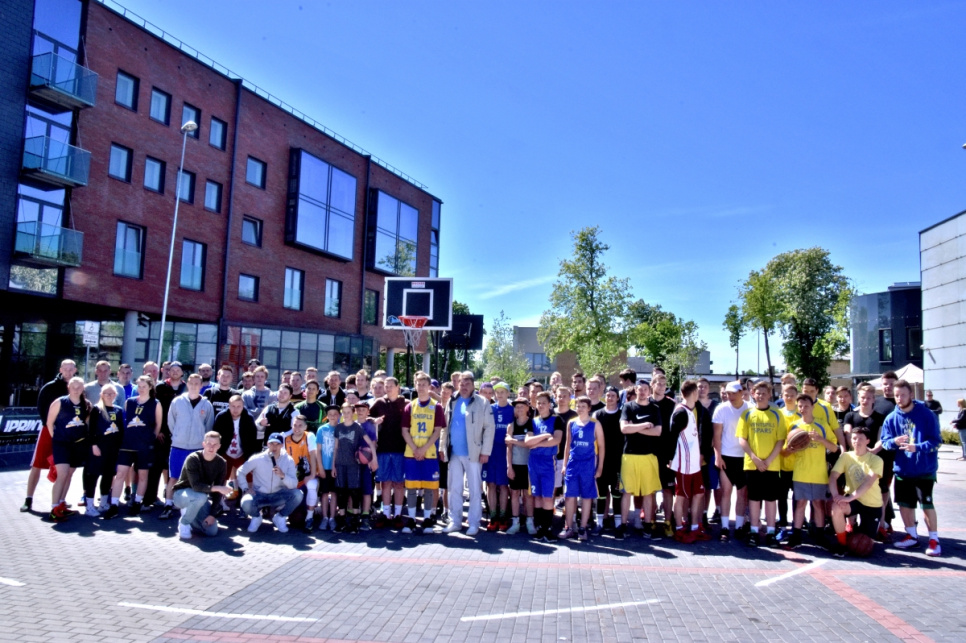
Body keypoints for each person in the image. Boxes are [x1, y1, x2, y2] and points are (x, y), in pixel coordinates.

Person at [880, 379, 942, 557]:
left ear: (911, 395)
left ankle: (934, 540)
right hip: (903, 469)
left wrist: (918, 447)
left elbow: (937, 442)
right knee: (905, 505)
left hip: (924, 470)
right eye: (896, 395)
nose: (899, 398)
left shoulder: (927, 414)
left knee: (926, 504)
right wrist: (894, 441)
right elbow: (884, 442)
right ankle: (912, 536)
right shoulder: (891, 418)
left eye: (903, 395)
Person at [440, 371, 496, 536]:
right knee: (454, 488)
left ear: (473, 385)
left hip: (474, 453)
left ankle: (474, 523)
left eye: (467, 384)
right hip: (454, 453)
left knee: (474, 490)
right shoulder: (452, 401)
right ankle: (455, 521)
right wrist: (442, 447)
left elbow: (489, 428)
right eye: (461, 384)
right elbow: (445, 427)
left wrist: (485, 451)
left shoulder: (482, 402)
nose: (464, 387)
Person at [780, 394, 837, 549]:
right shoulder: (794, 426)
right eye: (800, 406)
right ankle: (796, 536)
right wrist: (790, 449)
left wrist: (820, 439)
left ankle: (820, 536)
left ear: (812, 407)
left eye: (806, 406)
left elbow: (834, 448)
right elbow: (784, 452)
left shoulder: (822, 425)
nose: (803, 409)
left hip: (819, 472)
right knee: (800, 504)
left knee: (818, 504)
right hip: (800, 472)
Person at [735, 381, 786, 547]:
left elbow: (780, 440)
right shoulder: (747, 414)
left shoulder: (777, 414)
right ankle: (754, 531)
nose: (761, 396)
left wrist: (769, 460)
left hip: (772, 465)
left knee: (771, 499)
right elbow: (742, 439)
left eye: (764, 393)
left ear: (769, 395)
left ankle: (771, 532)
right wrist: (755, 458)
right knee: (754, 499)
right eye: (758, 393)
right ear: (753, 394)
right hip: (752, 464)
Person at [22, 359, 76, 513]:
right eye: (65, 369)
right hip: (48, 430)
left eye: (71, 369)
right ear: (60, 369)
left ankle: (60, 501)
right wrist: (51, 427)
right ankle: (28, 499)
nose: (68, 372)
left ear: (75, 370)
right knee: (37, 464)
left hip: (68, 433)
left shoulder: (77, 387)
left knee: (67, 469)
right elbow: (41, 408)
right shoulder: (49, 387)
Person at [105, 375, 162, 518]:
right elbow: (125, 421)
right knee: (120, 473)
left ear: (150, 387)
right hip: (128, 443)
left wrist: (150, 439)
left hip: (145, 445)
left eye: (144, 386)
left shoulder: (155, 403)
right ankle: (114, 505)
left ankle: (137, 502)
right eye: (139, 386)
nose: (141, 389)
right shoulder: (129, 402)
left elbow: (158, 425)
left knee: (143, 475)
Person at [162, 373, 215, 519]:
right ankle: (168, 505)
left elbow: (208, 426)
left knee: (195, 479)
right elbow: (171, 422)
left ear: (201, 385)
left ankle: (193, 508)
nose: (194, 386)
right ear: (187, 384)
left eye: (197, 383)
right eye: (191, 383)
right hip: (178, 446)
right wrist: (178, 436)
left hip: (197, 448)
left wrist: (200, 440)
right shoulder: (177, 401)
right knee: (174, 477)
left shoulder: (206, 404)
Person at [617, 379, 663, 540]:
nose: (642, 392)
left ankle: (648, 526)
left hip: (648, 456)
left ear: (649, 391)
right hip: (629, 455)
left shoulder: (655, 409)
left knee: (648, 493)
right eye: (639, 389)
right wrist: (645, 425)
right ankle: (623, 526)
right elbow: (624, 428)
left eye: (645, 389)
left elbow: (657, 432)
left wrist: (635, 427)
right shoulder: (628, 407)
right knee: (627, 492)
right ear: (635, 390)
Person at [828, 425, 883, 556]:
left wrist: (848, 498)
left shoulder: (876, 460)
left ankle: (859, 531)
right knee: (836, 507)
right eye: (854, 438)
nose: (856, 441)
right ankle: (841, 544)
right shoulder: (846, 457)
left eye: (860, 439)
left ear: (868, 441)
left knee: (864, 545)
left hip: (872, 504)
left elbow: (868, 483)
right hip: (854, 501)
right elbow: (833, 477)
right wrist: (836, 496)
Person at [402, 372, 445, 534]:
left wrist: (423, 449)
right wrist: (415, 449)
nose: (420, 387)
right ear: (415, 386)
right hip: (411, 453)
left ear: (429, 387)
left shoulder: (437, 406)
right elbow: (405, 431)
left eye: (424, 385)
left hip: (429, 453)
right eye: (418, 384)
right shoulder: (410, 406)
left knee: (428, 488)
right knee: (411, 488)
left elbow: (437, 431)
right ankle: (411, 519)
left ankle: (427, 519)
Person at [172, 431, 233, 540]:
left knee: (211, 531)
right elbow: (196, 486)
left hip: (201, 497)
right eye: (209, 443)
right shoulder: (193, 458)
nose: (211, 447)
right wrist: (218, 488)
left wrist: (212, 515)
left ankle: (191, 516)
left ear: (219, 446)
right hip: (182, 494)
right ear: (203, 444)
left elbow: (218, 493)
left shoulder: (221, 463)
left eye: (215, 444)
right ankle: (184, 522)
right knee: (201, 497)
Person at [237, 433, 302, 534]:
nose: (274, 447)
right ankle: (256, 517)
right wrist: (245, 488)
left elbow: (294, 484)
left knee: (298, 494)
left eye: (277, 444)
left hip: (278, 494)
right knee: (245, 502)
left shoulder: (288, 460)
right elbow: (240, 471)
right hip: (259, 494)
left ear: (282, 445)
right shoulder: (257, 458)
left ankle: (280, 517)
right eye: (271, 444)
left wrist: (283, 476)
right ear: (267, 444)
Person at [559, 396, 604, 541]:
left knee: (586, 496)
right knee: (569, 496)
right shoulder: (571, 422)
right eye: (578, 406)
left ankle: (583, 528)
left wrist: (599, 467)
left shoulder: (595, 424)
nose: (580, 409)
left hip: (588, 465)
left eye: (583, 406)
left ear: (589, 408)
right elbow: (567, 445)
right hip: (573, 464)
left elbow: (601, 447)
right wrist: (564, 464)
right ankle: (569, 527)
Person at [844, 384, 888, 534]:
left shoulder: (880, 417)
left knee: (878, 492)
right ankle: (850, 523)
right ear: (858, 398)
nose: (865, 400)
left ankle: (881, 525)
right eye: (863, 397)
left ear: (873, 399)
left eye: (869, 398)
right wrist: (858, 450)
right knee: (852, 489)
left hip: (873, 459)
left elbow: (882, 438)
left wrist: (873, 450)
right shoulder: (851, 416)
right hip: (854, 460)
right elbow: (848, 434)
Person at [46, 376, 91, 521]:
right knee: (62, 474)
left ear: (83, 388)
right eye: (73, 387)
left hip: (78, 444)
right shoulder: (60, 402)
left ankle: (61, 504)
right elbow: (49, 423)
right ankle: (54, 508)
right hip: (62, 443)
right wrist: (56, 438)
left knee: (69, 474)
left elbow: (86, 423)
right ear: (68, 387)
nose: (76, 389)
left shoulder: (86, 404)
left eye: (79, 387)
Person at [524, 391, 564, 542]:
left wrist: (537, 443)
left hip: (548, 462)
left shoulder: (556, 419)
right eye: (538, 403)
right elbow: (528, 442)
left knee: (547, 497)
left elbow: (556, 440)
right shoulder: (532, 421)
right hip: (534, 462)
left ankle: (548, 530)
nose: (540, 405)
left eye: (543, 403)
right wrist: (545, 436)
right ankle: (540, 529)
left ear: (549, 404)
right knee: (537, 497)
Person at [370, 377, 409, 528]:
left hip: (400, 449)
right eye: (386, 386)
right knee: (385, 483)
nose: (388, 388)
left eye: (391, 386)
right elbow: (366, 417)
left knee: (399, 483)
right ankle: (386, 514)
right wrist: (374, 421)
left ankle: (398, 515)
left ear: (398, 387)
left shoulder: (406, 403)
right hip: (383, 449)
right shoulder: (379, 402)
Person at [713, 381, 749, 541]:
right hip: (726, 456)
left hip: (744, 457)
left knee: (742, 494)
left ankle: (739, 526)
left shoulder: (750, 408)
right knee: (726, 492)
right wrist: (718, 456)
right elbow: (717, 436)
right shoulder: (721, 409)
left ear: (742, 392)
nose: (731, 396)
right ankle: (725, 527)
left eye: (734, 393)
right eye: (728, 393)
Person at [332, 402, 375, 532]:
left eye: (348, 412)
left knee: (354, 491)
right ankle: (342, 519)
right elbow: (335, 448)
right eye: (344, 412)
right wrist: (333, 466)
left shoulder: (357, 427)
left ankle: (355, 520)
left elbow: (370, 443)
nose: (346, 415)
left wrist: (373, 458)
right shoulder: (338, 427)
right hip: (340, 463)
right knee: (341, 492)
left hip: (353, 464)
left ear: (353, 413)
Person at [149, 362, 187, 509]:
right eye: (172, 370)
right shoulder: (160, 387)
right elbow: (154, 409)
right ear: (168, 372)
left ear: (182, 373)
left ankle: (174, 497)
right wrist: (157, 430)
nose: (175, 372)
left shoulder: (187, 388)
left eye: (178, 370)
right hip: (162, 434)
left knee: (176, 468)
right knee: (156, 466)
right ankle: (151, 497)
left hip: (180, 435)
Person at [83, 385, 125, 516]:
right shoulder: (97, 409)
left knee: (108, 476)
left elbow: (121, 430)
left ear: (115, 395)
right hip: (99, 448)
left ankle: (103, 503)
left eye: (112, 393)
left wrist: (120, 447)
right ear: (101, 394)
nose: (109, 396)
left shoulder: (118, 410)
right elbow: (91, 429)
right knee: (93, 476)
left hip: (112, 449)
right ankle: (89, 506)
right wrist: (94, 445)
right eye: (106, 393)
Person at [650, 369, 677, 537]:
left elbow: (675, 432)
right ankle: (651, 520)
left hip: (667, 453)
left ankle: (667, 521)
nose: (661, 387)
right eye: (658, 384)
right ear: (652, 385)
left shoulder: (672, 404)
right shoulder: (646, 403)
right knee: (651, 489)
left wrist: (673, 455)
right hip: (649, 452)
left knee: (668, 489)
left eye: (664, 384)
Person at [484, 381, 513, 532]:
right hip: (491, 451)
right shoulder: (490, 408)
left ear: (508, 393)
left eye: (503, 392)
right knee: (490, 484)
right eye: (497, 392)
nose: (500, 395)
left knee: (503, 485)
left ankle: (502, 516)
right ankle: (493, 516)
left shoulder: (513, 410)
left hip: (505, 452)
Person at [593, 385, 623, 533]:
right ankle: (599, 523)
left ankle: (618, 525)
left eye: (613, 395)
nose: (610, 398)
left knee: (617, 493)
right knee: (601, 493)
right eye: (608, 395)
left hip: (618, 461)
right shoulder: (598, 414)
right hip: (601, 460)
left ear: (617, 398)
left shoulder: (622, 415)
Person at [213, 395, 259, 487]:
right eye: (233, 406)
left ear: (243, 406)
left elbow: (253, 441)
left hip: (243, 453)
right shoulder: (221, 417)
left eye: (239, 406)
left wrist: (251, 457)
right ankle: (220, 495)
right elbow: (215, 436)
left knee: (249, 479)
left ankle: (247, 495)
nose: (235, 409)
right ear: (229, 406)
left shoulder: (248, 418)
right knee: (221, 479)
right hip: (225, 453)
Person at [505, 397, 535, 535]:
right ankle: (515, 522)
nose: (519, 409)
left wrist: (513, 440)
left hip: (529, 465)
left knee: (528, 495)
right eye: (517, 406)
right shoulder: (511, 426)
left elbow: (529, 443)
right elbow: (509, 448)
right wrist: (509, 466)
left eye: (522, 406)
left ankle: (530, 522)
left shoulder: (532, 423)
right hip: (515, 464)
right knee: (515, 493)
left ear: (527, 408)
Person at [284, 414, 319, 530]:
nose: (297, 428)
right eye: (295, 425)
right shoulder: (285, 438)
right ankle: (282, 514)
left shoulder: (309, 436)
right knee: (295, 519)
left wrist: (312, 474)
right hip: (293, 476)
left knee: (312, 484)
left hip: (308, 474)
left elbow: (313, 455)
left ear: (305, 427)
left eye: (300, 425)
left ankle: (310, 517)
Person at [314, 405, 340, 531]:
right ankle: (324, 517)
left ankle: (332, 518)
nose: (333, 416)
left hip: (336, 467)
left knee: (334, 492)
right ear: (327, 416)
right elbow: (318, 450)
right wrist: (320, 467)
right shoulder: (322, 429)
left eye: (335, 414)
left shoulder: (341, 428)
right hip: (324, 466)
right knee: (324, 493)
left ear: (339, 415)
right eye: (330, 414)